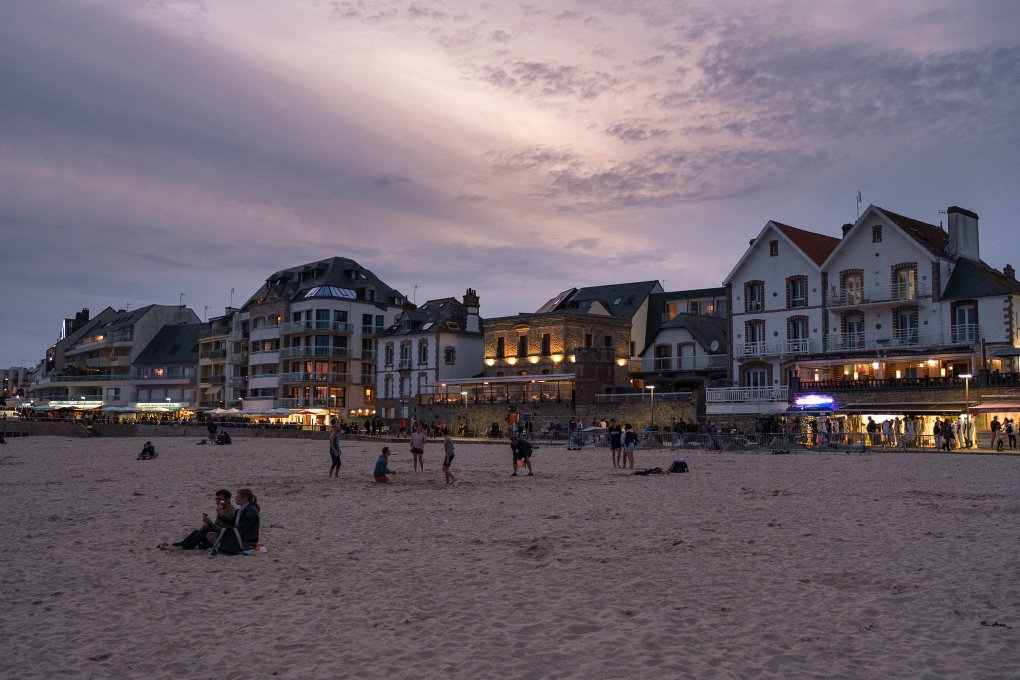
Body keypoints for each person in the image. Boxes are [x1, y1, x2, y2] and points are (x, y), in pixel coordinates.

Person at [208, 488, 260, 556]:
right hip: (240, 536)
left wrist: (230, 534)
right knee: (211, 534)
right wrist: (220, 515)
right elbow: (231, 522)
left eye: (238, 496)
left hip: (247, 540)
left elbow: (244, 528)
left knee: (216, 535)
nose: (235, 498)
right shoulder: (240, 510)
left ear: (245, 499)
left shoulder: (251, 510)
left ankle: (224, 546)